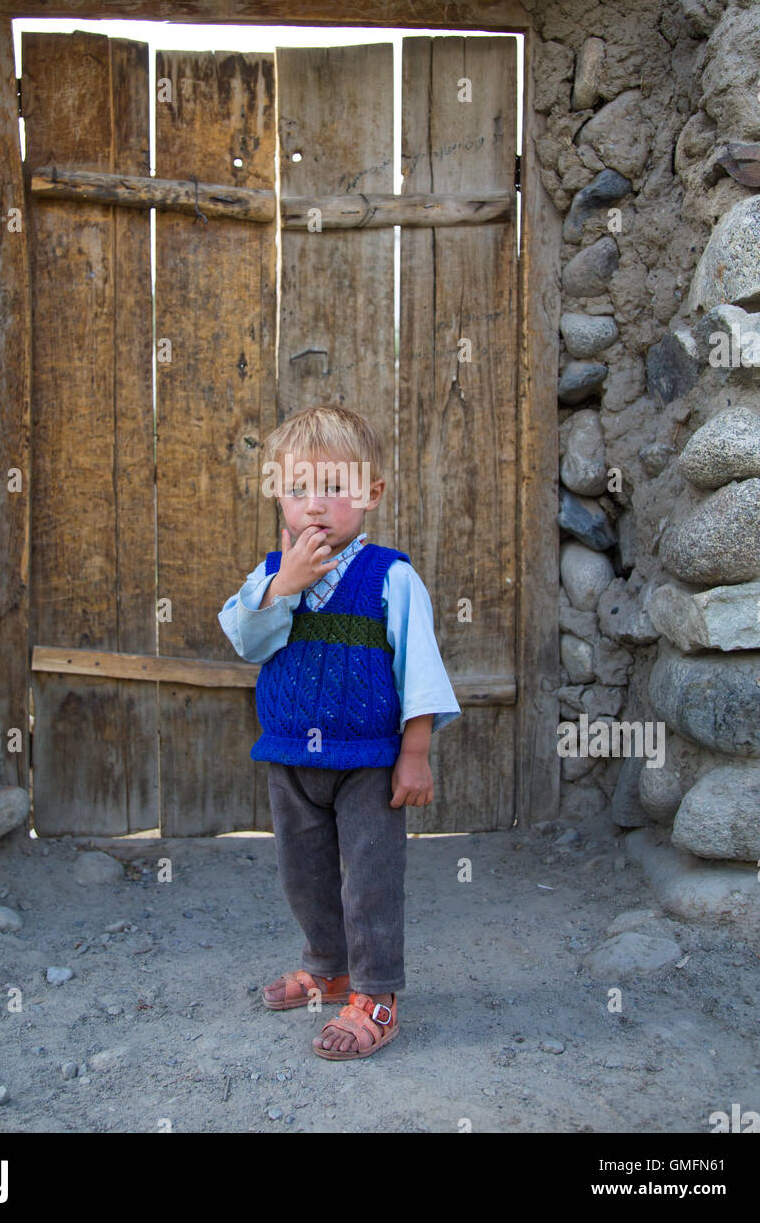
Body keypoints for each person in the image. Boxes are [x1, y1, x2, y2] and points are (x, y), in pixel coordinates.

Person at [218, 405, 460, 1059]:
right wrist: (281, 589)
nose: (314, 506)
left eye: (334, 487)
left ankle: (377, 993)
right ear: (278, 496)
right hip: (291, 759)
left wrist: (414, 755)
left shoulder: (390, 578)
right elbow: (246, 641)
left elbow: (420, 673)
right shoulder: (270, 575)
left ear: (371, 494)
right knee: (305, 875)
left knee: (370, 879)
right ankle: (328, 968)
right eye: (298, 490)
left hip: (368, 763)